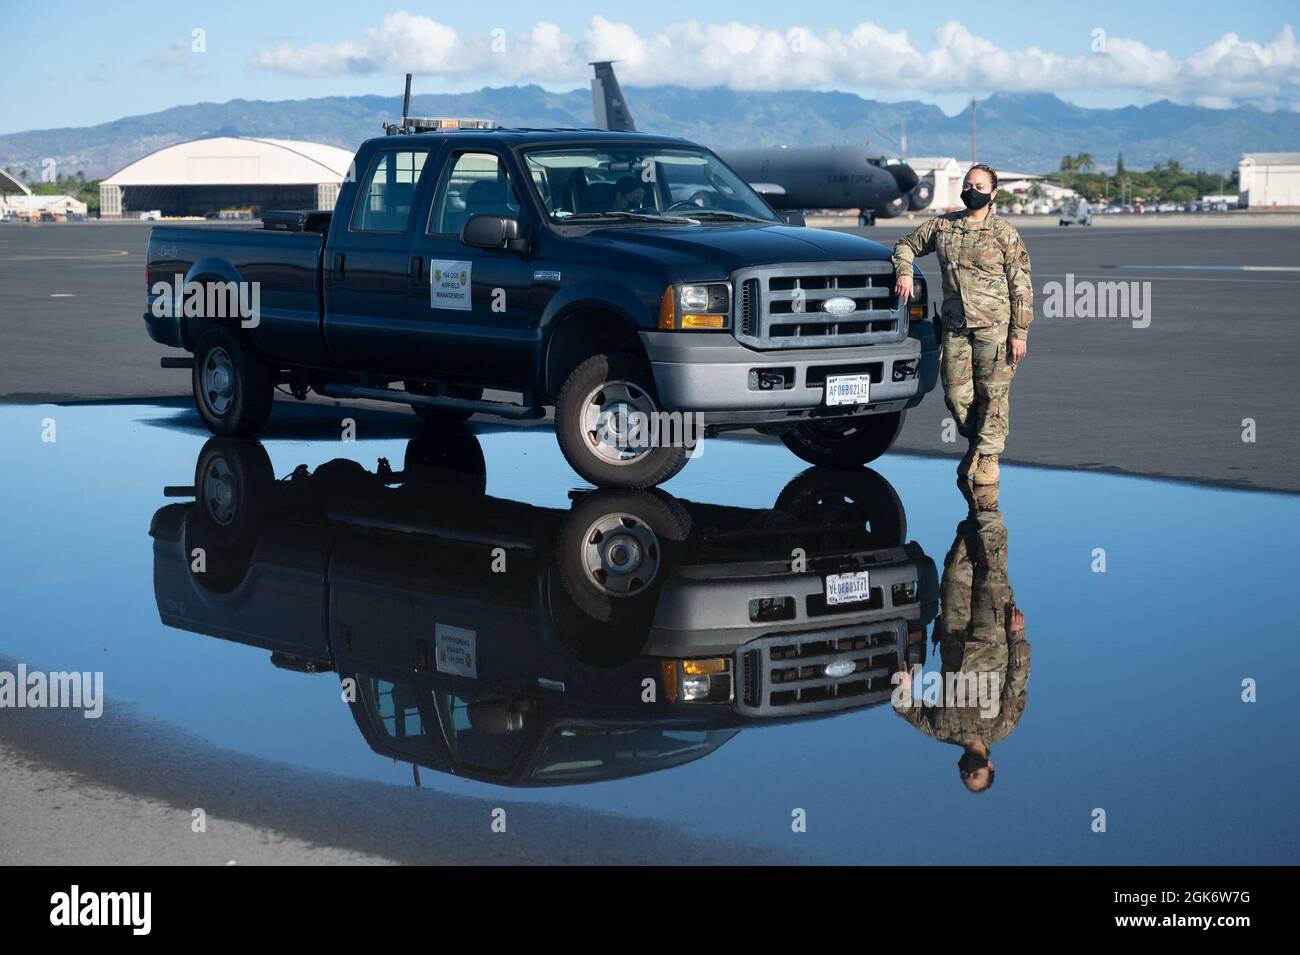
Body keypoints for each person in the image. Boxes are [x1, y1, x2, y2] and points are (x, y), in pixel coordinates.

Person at [891, 164, 1033, 485]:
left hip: (994, 328)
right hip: (955, 327)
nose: (972, 190)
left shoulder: (1004, 233)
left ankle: (989, 456)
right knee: (956, 396)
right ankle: (977, 442)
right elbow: (906, 245)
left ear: (993, 193)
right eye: (968, 184)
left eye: (980, 186)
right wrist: (903, 271)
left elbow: (1021, 287)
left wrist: (1019, 333)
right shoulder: (944, 227)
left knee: (992, 394)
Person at [893, 483, 1031, 793]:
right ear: (990, 766)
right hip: (992, 638)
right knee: (992, 572)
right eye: (978, 775)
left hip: (954, 637)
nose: (970, 773)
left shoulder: (940, 730)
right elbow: (1017, 682)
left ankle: (974, 510)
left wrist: (904, 688)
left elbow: (905, 709)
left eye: (966, 777)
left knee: (956, 570)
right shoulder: (1001, 729)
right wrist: (1017, 635)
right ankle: (988, 505)